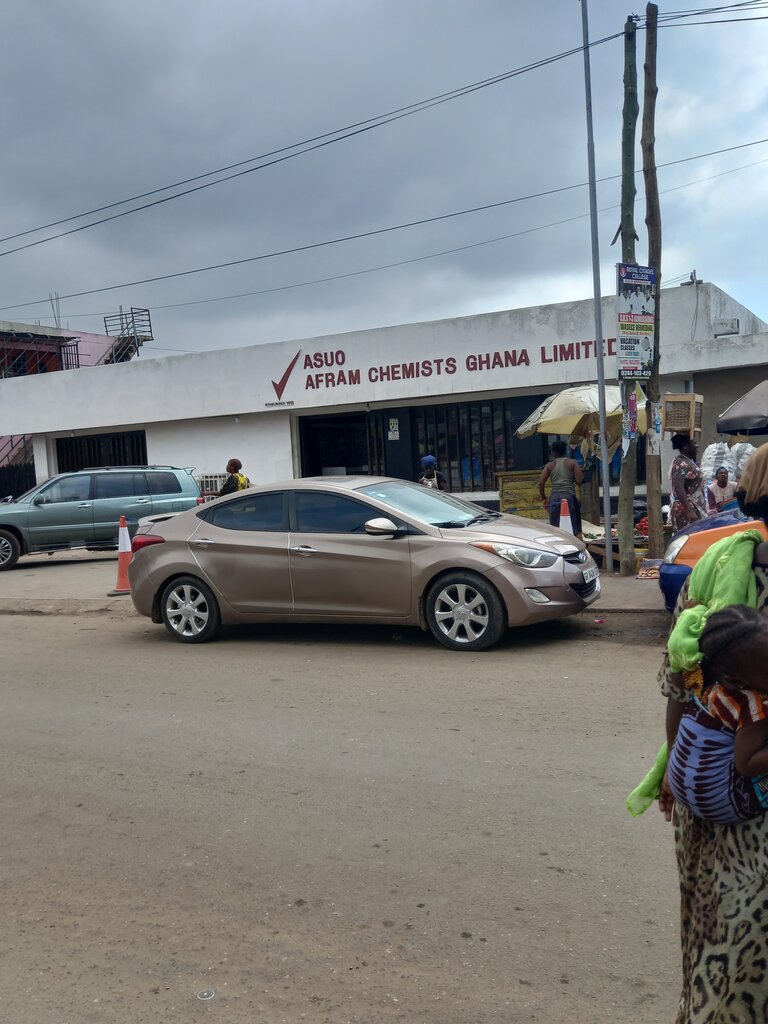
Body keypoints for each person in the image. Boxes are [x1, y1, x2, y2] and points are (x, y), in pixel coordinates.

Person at [658, 441, 768, 1023]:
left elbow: (680, 682)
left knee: (713, 951)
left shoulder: (715, 565)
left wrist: (671, 772)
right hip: (746, 807)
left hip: (709, 805)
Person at [538, 440, 584, 539]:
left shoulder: (549, 466)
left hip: (555, 499)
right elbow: (580, 481)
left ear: (553, 452)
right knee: (576, 529)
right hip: (569, 498)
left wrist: (544, 498)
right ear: (565, 451)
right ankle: (579, 547)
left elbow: (541, 483)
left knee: (556, 529)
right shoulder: (572, 463)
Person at [668, 433, 707, 533]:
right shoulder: (681, 463)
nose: (697, 446)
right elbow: (679, 487)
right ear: (685, 446)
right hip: (687, 510)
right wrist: (689, 511)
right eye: (694, 443)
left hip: (693, 507)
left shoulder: (688, 462)